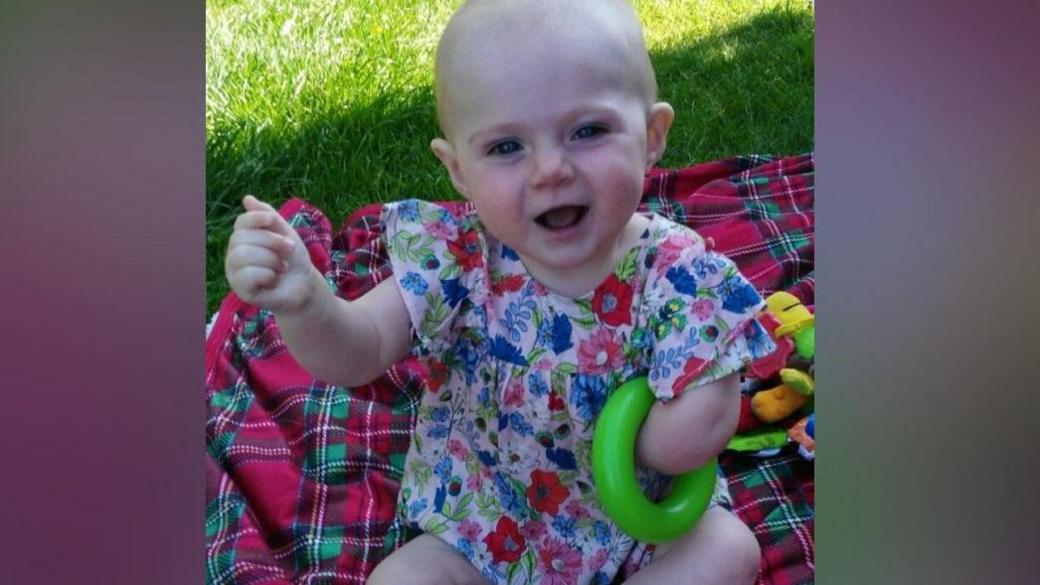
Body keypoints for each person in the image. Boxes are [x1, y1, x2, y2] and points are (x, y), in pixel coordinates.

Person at [224, 0, 776, 583]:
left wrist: (678, 432)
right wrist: (307, 302)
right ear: (458, 169)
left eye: (587, 131)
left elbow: (690, 438)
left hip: (641, 523)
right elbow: (357, 351)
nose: (549, 171)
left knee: (729, 549)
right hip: (484, 523)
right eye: (506, 148)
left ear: (652, 135)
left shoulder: (676, 274)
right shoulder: (459, 257)